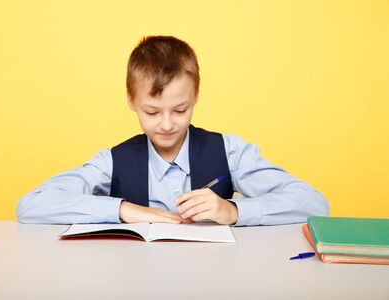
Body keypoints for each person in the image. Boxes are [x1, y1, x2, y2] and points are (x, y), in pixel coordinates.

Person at [16, 35, 329, 226]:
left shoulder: (230, 152)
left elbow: (315, 204)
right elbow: (31, 205)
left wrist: (233, 210)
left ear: (195, 98)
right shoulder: (112, 162)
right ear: (131, 101)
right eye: (151, 112)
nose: (166, 124)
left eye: (180, 110)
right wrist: (124, 210)